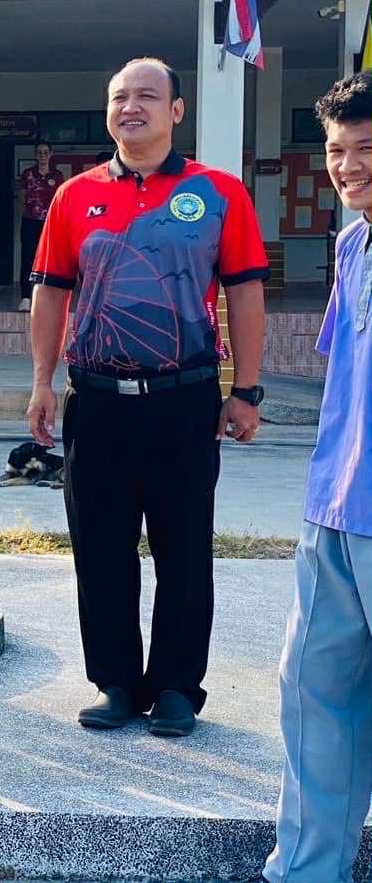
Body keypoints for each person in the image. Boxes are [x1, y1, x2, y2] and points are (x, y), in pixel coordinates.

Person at [26, 57, 268, 738]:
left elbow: (246, 292)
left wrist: (245, 390)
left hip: (182, 400)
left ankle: (176, 687)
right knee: (99, 547)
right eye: (119, 97)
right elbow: (50, 292)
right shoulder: (74, 196)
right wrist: (42, 381)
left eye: (147, 96)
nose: (130, 107)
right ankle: (115, 683)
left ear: (176, 111)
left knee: (183, 548)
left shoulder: (216, 193)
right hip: (96, 400)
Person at [257, 73, 372, 883]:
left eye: (365, 148)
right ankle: (304, 871)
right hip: (333, 508)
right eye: (336, 149)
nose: (347, 165)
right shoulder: (349, 245)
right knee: (310, 693)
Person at [17, 142, 63, 311]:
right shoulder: (28, 174)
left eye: (45, 152)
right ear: (35, 155)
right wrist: (30, 212)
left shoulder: (57, 175)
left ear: (51, 154)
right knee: (28, 258)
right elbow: (22, 198)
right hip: (30, 221)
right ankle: (25, 297)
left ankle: (47, 297)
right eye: (39, 152)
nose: (42, 155)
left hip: (50, 223)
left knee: (49, 260)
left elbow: (61, 199)